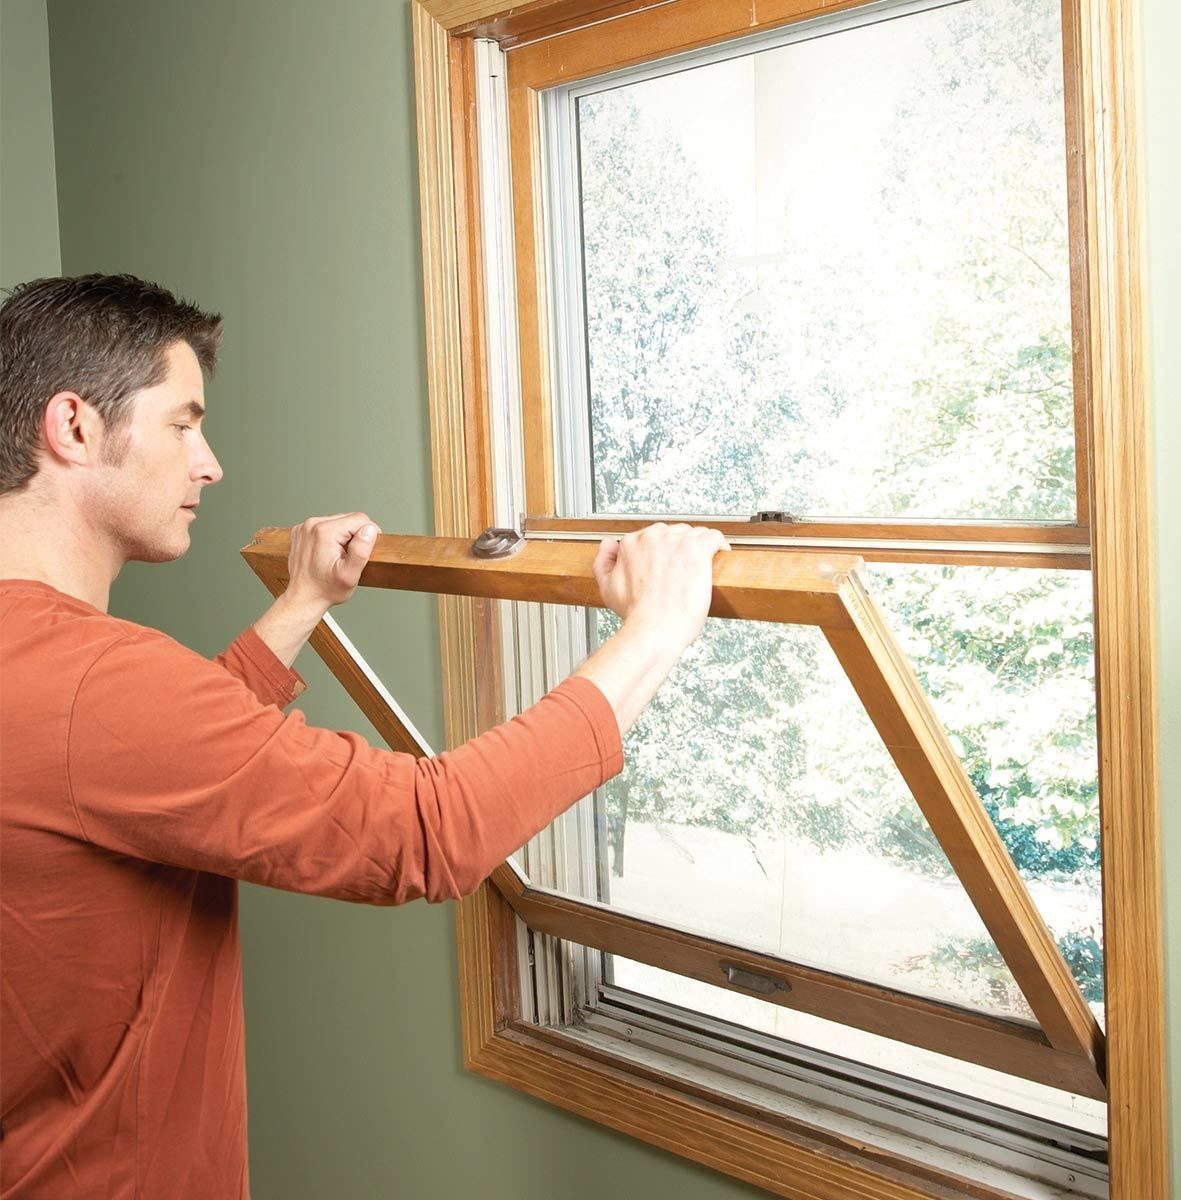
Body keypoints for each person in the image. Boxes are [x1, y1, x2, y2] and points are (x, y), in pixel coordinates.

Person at [0, 274, 728, 1199]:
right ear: (73, 427)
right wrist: (654, 631)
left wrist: (301, 605)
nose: (208, 462)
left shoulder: (50, 682)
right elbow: (426, 829)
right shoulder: (93, 683)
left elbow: (137, 772)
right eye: (183, 423)